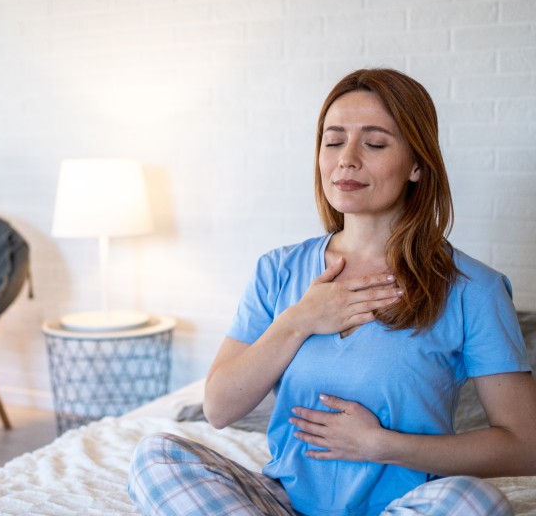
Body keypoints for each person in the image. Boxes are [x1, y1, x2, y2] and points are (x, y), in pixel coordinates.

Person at [128, 68, 536, 515]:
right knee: (157, 456)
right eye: (333, 140)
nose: (347, 159)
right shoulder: (278, 271)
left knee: (473, 501)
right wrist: (299, 320)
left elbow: (524, 445)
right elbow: (219, 408)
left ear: (417, 164)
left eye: (375, 143)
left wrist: (381, 445)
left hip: (403, 507)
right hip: (283, 503)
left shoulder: (473, 290)